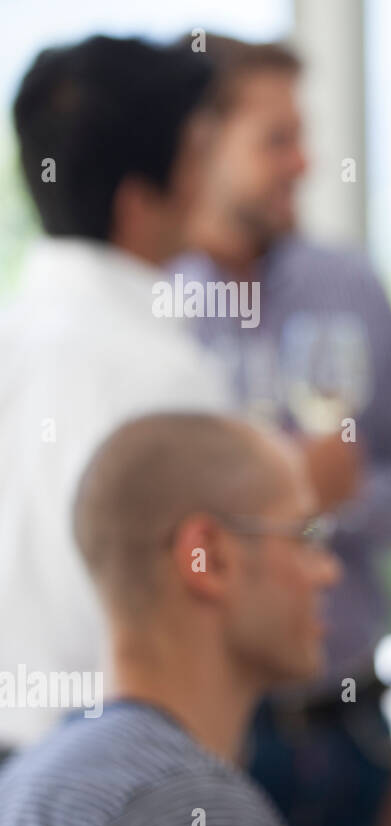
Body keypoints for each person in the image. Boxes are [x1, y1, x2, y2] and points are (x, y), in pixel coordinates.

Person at [172, 35, 391, 826]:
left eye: (304, 136)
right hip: (210, 743)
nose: (303, 162)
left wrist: (346, 493)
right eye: (276, 139)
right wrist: (294, 486)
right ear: (199, 143)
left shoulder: (351, 287)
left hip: (351, 737)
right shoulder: (147, 314)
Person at [0, 36, 233, 761]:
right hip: (113, 770)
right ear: (140, 202)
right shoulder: (161, 375)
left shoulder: (16, 331)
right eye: (198, 157)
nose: (211, 180)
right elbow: (201, 608)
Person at [0, 412, 341, 826]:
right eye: (304, 536)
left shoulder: (35, 778)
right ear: (207, 558)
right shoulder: (183, 815)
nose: (329, 572)